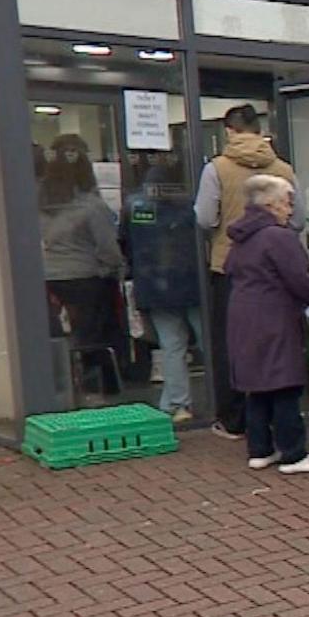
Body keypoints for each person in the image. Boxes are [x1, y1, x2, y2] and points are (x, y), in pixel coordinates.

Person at [223, 175, 309, 474]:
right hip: (274, 317)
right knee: (284, 384)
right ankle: (294, 454)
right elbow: (302, 283)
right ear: (269, 204)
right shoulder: (278, 237)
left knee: (258, 386)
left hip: (243, 316)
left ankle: (260, 449)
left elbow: (229, 270)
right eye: (286, 202)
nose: (290, 209)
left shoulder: (241, 236)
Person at [196, 105, 298, 439]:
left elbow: (205, 217)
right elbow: (298, 219)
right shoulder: (283, 168)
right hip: (277, 268)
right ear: (258, 129)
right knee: (276, 342)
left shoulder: (217, 168)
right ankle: (277, 418)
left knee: (231, 343)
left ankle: (234, 419)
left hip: (229, 265)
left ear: (229, 131)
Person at [39, 134, 126, 397]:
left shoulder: (38, 205)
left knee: (58, 338)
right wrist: (115, 267)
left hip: (47, 279)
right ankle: (95, 389)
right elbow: (109, 250)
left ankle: (62, 387)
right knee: (93, 338)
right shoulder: (91, 206)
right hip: (85, 278)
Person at [122, 157, 203, 422]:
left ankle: (178, 403)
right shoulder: (189, 207)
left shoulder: (134, 207)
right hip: (192, 281)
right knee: (208, 341)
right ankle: (226, 396)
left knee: (171, 345)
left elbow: (124, 242)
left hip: (154, 283)